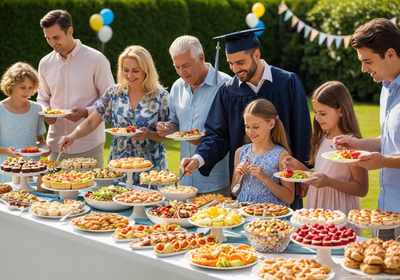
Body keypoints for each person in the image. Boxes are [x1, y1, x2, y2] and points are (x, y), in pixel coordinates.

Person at [179, 29, 312, 209]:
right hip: (247, 190)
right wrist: (198, 158)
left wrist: (302, 174)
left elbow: (302, 130)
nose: (235, 69)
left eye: (240, 62)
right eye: (231, 63)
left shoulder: (287, 82)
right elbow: (216, 134)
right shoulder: (228, 91)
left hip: (284, 183)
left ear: (256, 54)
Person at [58, 45, 170, 185]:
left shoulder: (161, 96)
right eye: (126, 70)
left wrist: (149, 135)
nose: (129, 75)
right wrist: (72, 136)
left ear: (146, 70)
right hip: (119, 165)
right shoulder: (114, 93)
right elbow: (91, 122)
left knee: (152, 204)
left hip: (151, 168)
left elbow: (168, 136)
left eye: (135, 71)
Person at [334, 18, 400, 239]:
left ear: (390, 54)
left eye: (368, 61)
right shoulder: (386, 89)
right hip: (385, 210)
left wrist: (383, 161)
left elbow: (388, 154)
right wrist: (358, 144)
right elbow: (390, 139)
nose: (363, 69)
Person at [283, 81, 368, 234]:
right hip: (317, 206)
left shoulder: (350, 142)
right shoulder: (323, 138)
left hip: (339, 208)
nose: (317, 118)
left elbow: (362, 188)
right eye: (315, 112)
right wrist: (299, 168)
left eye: (323, 113)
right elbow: (321, 175)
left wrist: (329, 182)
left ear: (340, 111)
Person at [37, 10, 115, 168]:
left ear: (70, 31)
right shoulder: (45, 63)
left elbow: (110, 100)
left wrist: (85, 112)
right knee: (55, 191)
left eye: (56, 37)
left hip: (89, 146)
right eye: (48, 39)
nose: (52, 43)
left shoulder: (96, 59)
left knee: (92, 192)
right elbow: (42, 98)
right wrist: (46, 112)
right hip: (55, 146)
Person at [156, 35, 231, 196]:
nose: (181, 72)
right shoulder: (177, 87)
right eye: (177, 67)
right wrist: (168, 128)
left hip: (216, 181)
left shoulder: (226, 85)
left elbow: (235, 132)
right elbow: (175, 122)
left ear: (201, 58)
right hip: (185, 181)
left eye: (186, 65)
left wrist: (206, 142)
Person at [231, 99, 294, 205]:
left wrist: (265, 178)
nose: (250, 132)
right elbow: (234, 192)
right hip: (244, 213)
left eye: (256, 127)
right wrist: (238, 177)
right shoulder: (240, 152)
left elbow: (289, 198)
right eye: (247, 126)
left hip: (270, 216)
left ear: (271, 124)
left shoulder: (281, 155)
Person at [0, 62, 51, 182]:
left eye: (30, 87)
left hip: (32, 168)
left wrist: (44, 147)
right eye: (22, 87)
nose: (27, 92)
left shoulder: (36, 109)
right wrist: (6, 150)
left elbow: (40, 139)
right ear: (11, 85)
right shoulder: (1, 109)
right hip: (6, 167)